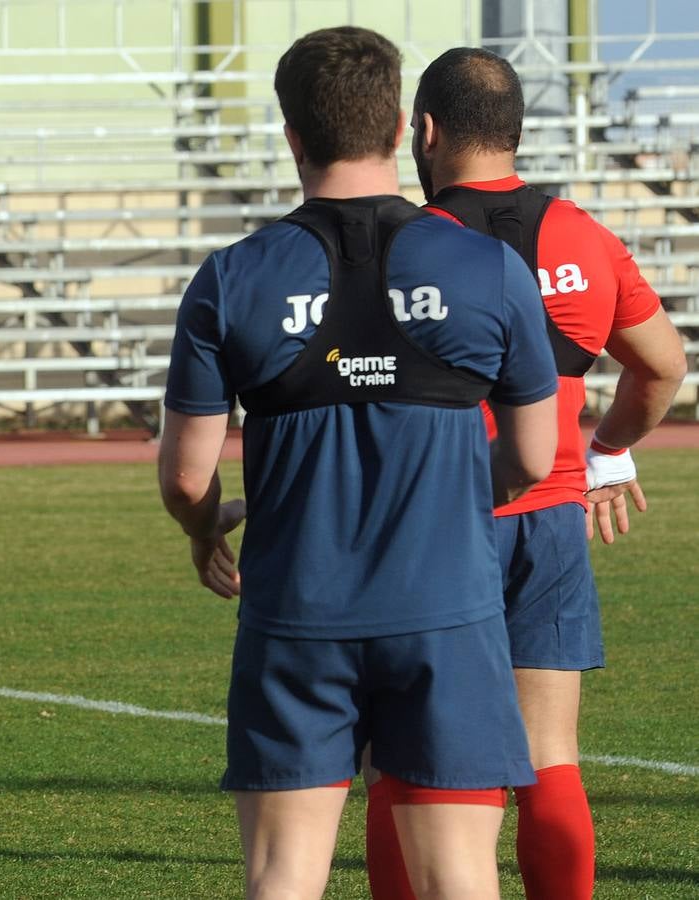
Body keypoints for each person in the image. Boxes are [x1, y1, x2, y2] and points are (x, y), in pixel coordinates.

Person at [158, 26, 562, 899]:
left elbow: (188, 479)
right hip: (448, 615)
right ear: (407, 131)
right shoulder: (490, 268)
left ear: (293, 136)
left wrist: (204, 530)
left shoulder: (231, 277)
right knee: (458, 877)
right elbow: (533, 455)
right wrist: (458, 495)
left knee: (282, 879)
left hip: (296, 615)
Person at [363, 47, 688, 900]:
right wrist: (606, 452)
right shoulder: (583, 234)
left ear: (424, 133)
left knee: (404, 755)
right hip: (547, 518)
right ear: (515, 132)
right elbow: (660, 366)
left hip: (428, 524)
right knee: (549, 753)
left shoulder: (398, 243)